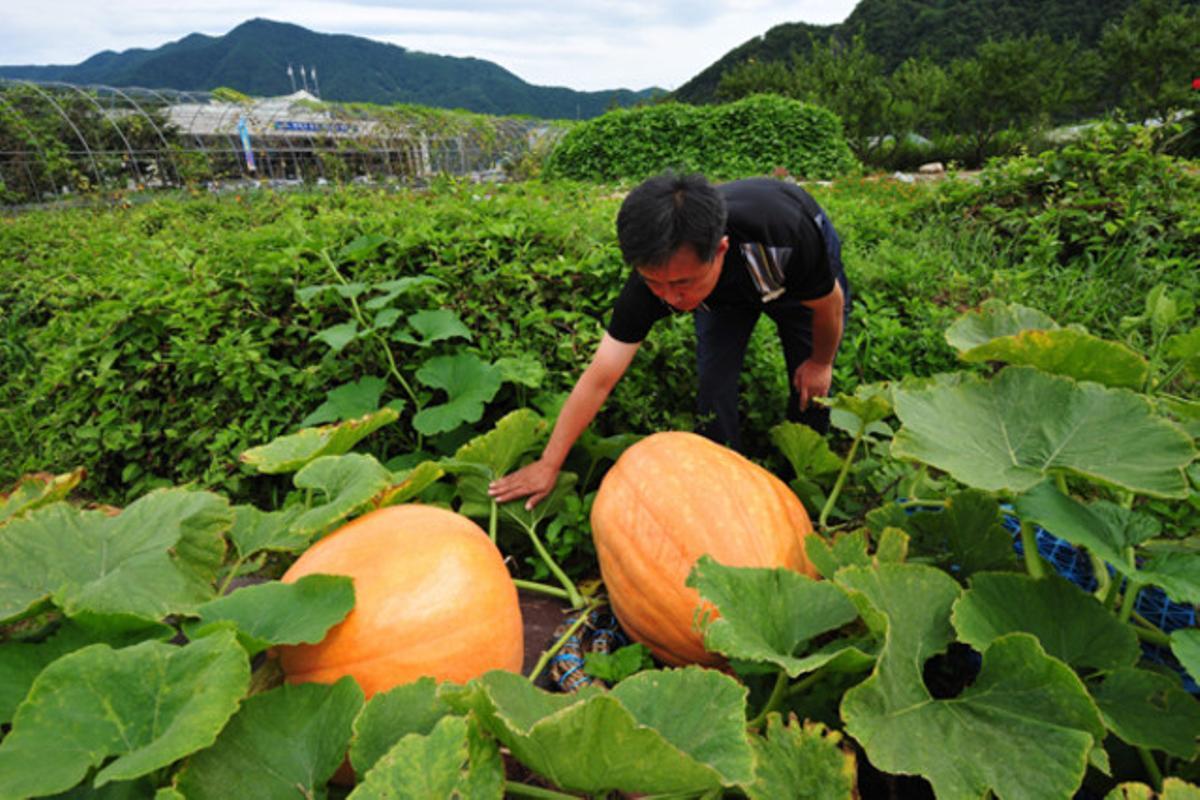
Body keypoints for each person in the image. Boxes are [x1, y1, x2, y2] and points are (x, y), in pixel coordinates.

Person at [489, 172, 851, 509]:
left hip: (783, 272)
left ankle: (803, 490)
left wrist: (821, 362)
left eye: (681, 284)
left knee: (811, 389)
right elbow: (601, 375)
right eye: (654, 283)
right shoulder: (653, 284)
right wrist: (549, 463)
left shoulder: (784, 237)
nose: (670, 299)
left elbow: (828, 304)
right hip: (720, 292)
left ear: (720, 250)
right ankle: (726, 485)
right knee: (713, 380)